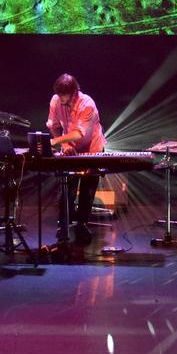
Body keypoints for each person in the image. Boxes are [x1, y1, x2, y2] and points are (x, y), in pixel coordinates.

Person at [45, 73, 105, 245]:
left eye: (64, 94)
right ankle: (64, 223)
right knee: (67, 186)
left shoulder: (87, 104)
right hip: (70, 148)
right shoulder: (56, 100)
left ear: (74, 92)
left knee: (87, 188)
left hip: (92, 148)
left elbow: (79, 133)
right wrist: (64, 145)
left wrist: (55, 141)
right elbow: (54, 126)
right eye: (59, 94)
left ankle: (82, 224)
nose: (61, 98)